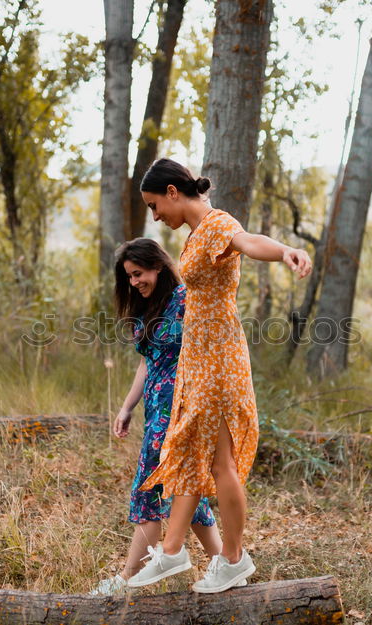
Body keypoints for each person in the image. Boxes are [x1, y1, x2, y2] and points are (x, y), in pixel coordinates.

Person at [126, 158, 312, 594]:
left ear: (173, 191)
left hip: (218, 356)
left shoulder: (215, 224)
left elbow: (247, 240)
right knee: (192, 449)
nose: (156, 217)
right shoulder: (194, 237)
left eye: (155, 205)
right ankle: (173, 551)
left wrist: (285, 250)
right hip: (199, 356)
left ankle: (232, 558)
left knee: (221, 462)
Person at [90, 238, 245, 595]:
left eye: (138, 273)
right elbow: (148, 363)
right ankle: (226, 563)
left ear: (158, 266)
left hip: (185, 406)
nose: (134, 282)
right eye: (129, 277)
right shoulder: (146, 310)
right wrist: (128, 407)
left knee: (149, 484)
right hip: (157, 409)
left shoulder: (187, 300)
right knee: (184, 488)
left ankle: (126, 580)